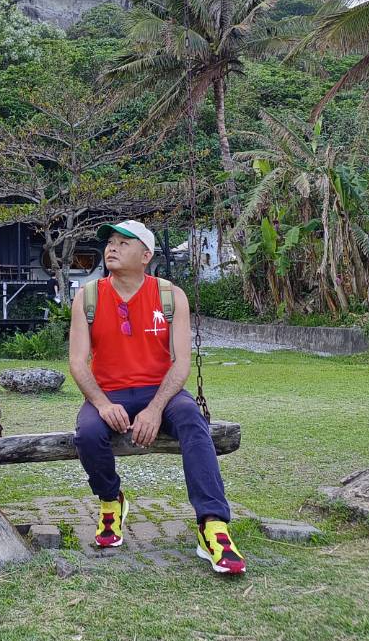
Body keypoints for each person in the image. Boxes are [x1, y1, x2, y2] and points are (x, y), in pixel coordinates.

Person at [68, 219, 244, 575]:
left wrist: (154, 409)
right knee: (87, 433)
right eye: (110, 242)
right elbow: (76, 361)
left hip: (161, 391)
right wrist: (102, 404)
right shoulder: (87, 296)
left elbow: (181, 364)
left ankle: (213, 526)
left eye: (123, 242)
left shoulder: (170, 296)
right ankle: (110, 502)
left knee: (194, 421)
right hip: (110, 393)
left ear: (146, 255)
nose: (112, 248)